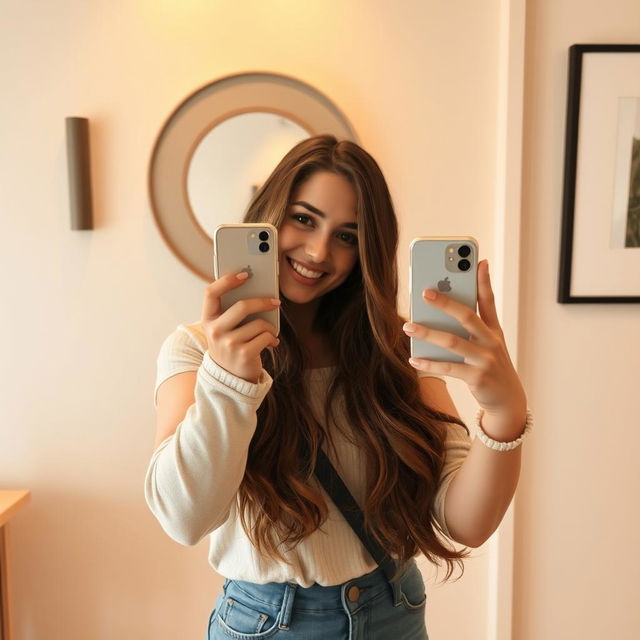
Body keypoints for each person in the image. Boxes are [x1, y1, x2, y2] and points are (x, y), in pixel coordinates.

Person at [144, 135, 530, 640]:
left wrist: (504, 412)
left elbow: (465, 522)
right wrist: (231, 378)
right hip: (267, 624)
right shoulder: (195, 351)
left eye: (347, 236)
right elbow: (183, 518)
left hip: (392, 611)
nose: (319, 251)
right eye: (303, 219)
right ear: (269, 215)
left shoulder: (394, 350)